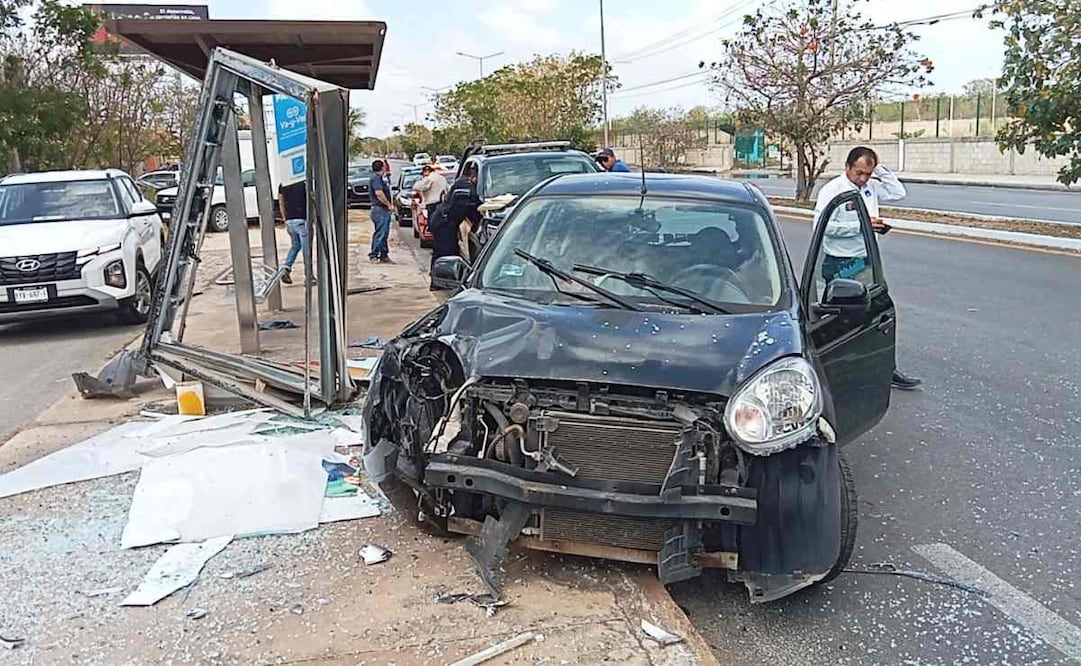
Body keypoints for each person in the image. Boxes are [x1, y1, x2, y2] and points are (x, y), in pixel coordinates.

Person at [814, 146, 922, 391]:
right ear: (847, 167)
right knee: (839, 319)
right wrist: (862, 225)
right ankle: (831, 370)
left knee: (879, 314)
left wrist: (880, 169)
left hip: (867, 259)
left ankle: (886, 368)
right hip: (841, 262)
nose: (862, 178)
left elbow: (898, 192)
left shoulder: (869, 187)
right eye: (859, 172)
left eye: (868, 174)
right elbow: (824, 227)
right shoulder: (833, 191)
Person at [428, 162, 482, 290]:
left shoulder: (464, 183)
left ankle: (440, 281)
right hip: (444, 223)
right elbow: (470, 206)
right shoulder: (464, 185)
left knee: (445, 251)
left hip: (445, 222)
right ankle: (438, 283)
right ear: (473, 174)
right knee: (445, 253)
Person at [277, 179, 309, 285]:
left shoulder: (283, 184)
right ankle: (309, 276)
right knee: (306, 249)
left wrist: (285, 220)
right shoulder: (304, 182)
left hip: (290, 220)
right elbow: (310, 202)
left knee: (295, 246)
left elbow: (281, 203)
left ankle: (286, 267)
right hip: (302, 219)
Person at [368, 159, 394, 263]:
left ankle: (384, 254)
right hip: (380, 209)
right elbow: (379, 193)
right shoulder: (376, 179)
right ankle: (373, 255)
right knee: (380, 233)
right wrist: (388, 204)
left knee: (384, 233)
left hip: (382, 210)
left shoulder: (381, 178)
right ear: (381, 167)